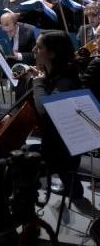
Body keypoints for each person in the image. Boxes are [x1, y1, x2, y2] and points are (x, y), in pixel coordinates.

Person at [31, 31, 83, 201]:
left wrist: (38, 83)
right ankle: (74, 190)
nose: (34, 50)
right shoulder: (56, 74)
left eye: (39, 47)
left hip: (62, 148)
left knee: (19, 164)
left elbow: (44, 111)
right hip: (57, 143)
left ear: (52, 53)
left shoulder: (65, 81)